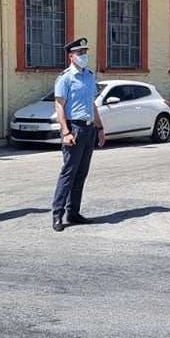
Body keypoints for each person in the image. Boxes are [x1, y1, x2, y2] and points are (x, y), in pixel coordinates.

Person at [51, 37, 105, 232]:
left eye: (85, 52)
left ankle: (73, 212)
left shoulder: (89, 76)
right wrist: (65, 131)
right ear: (71, 57)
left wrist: (100, 128)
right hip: (74, 128)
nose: (84, 56)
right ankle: (57, 214)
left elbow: (92, 104)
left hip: (88, 129)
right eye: (80, 53)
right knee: (68, 172)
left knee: (81, 173)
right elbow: (59, 106)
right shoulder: (65, 78)